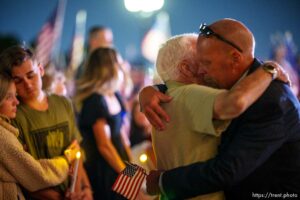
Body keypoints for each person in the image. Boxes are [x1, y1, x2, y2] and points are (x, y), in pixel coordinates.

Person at [141, 18, 300, 199]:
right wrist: (151, 91)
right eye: (198, 62)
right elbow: (223, 100)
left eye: (206, 63)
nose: (202, 71)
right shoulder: (213, 88)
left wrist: (161, 181)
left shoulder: (272, 100)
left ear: (234, 58)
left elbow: (229, 169)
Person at [0, 45, 93, 200]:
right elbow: (24, 174)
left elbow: (75, 152)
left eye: (31, 75)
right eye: (18, 81)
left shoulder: (63, 103)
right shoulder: (13, 115)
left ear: (41, 70)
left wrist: (84, 189)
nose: (28, 85)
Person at [75, 47, 132, 200]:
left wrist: (131, 167)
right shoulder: (95, 101)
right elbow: (104, 146)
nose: (123, 68)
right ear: (108, 67)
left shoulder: (115, 95)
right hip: (105, 171)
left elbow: (121, 135)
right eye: (119, 64)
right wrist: (128, 175)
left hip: (119, 165)